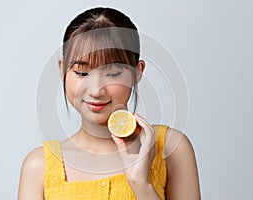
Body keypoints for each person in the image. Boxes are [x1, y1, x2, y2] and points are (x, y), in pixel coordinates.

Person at [18, 7, 201, 200]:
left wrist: (141, 184)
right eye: (81, 73)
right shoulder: (39, 166)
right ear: (62, 70)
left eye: (113, 74)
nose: (96, 90)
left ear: (137, 72)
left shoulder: (171, 148)